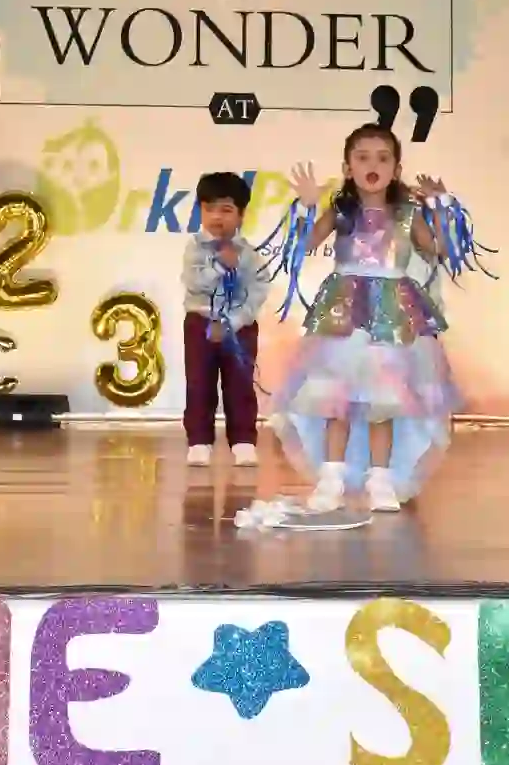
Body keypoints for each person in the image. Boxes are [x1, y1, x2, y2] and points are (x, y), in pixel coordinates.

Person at [270, 124, 465, 512]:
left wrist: (443, 210)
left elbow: (441, 250)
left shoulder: (408, 214)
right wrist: (307, 207)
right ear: (347, 167)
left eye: (382, 158)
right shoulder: (341, 212)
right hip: (344, 310)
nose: (372, 165)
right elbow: (302, 245)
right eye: (362, 157)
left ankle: (381, 479)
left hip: (392, 313)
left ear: (396, 168)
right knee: (336, 398)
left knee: (383, 400)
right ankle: (332, 477)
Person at [182, 172, 268, 467]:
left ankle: (243, 441)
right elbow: (195, 283)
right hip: (200, 323)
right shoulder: (195, 248)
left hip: (239, 328)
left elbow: (258, 289)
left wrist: (234, 322)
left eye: (226, 209)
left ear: (241, 214)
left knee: (240, 384)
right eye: (209, 209)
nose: (217, 217)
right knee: (199, 383)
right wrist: (219, 265)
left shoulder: (249, 254)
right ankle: (199, 442)